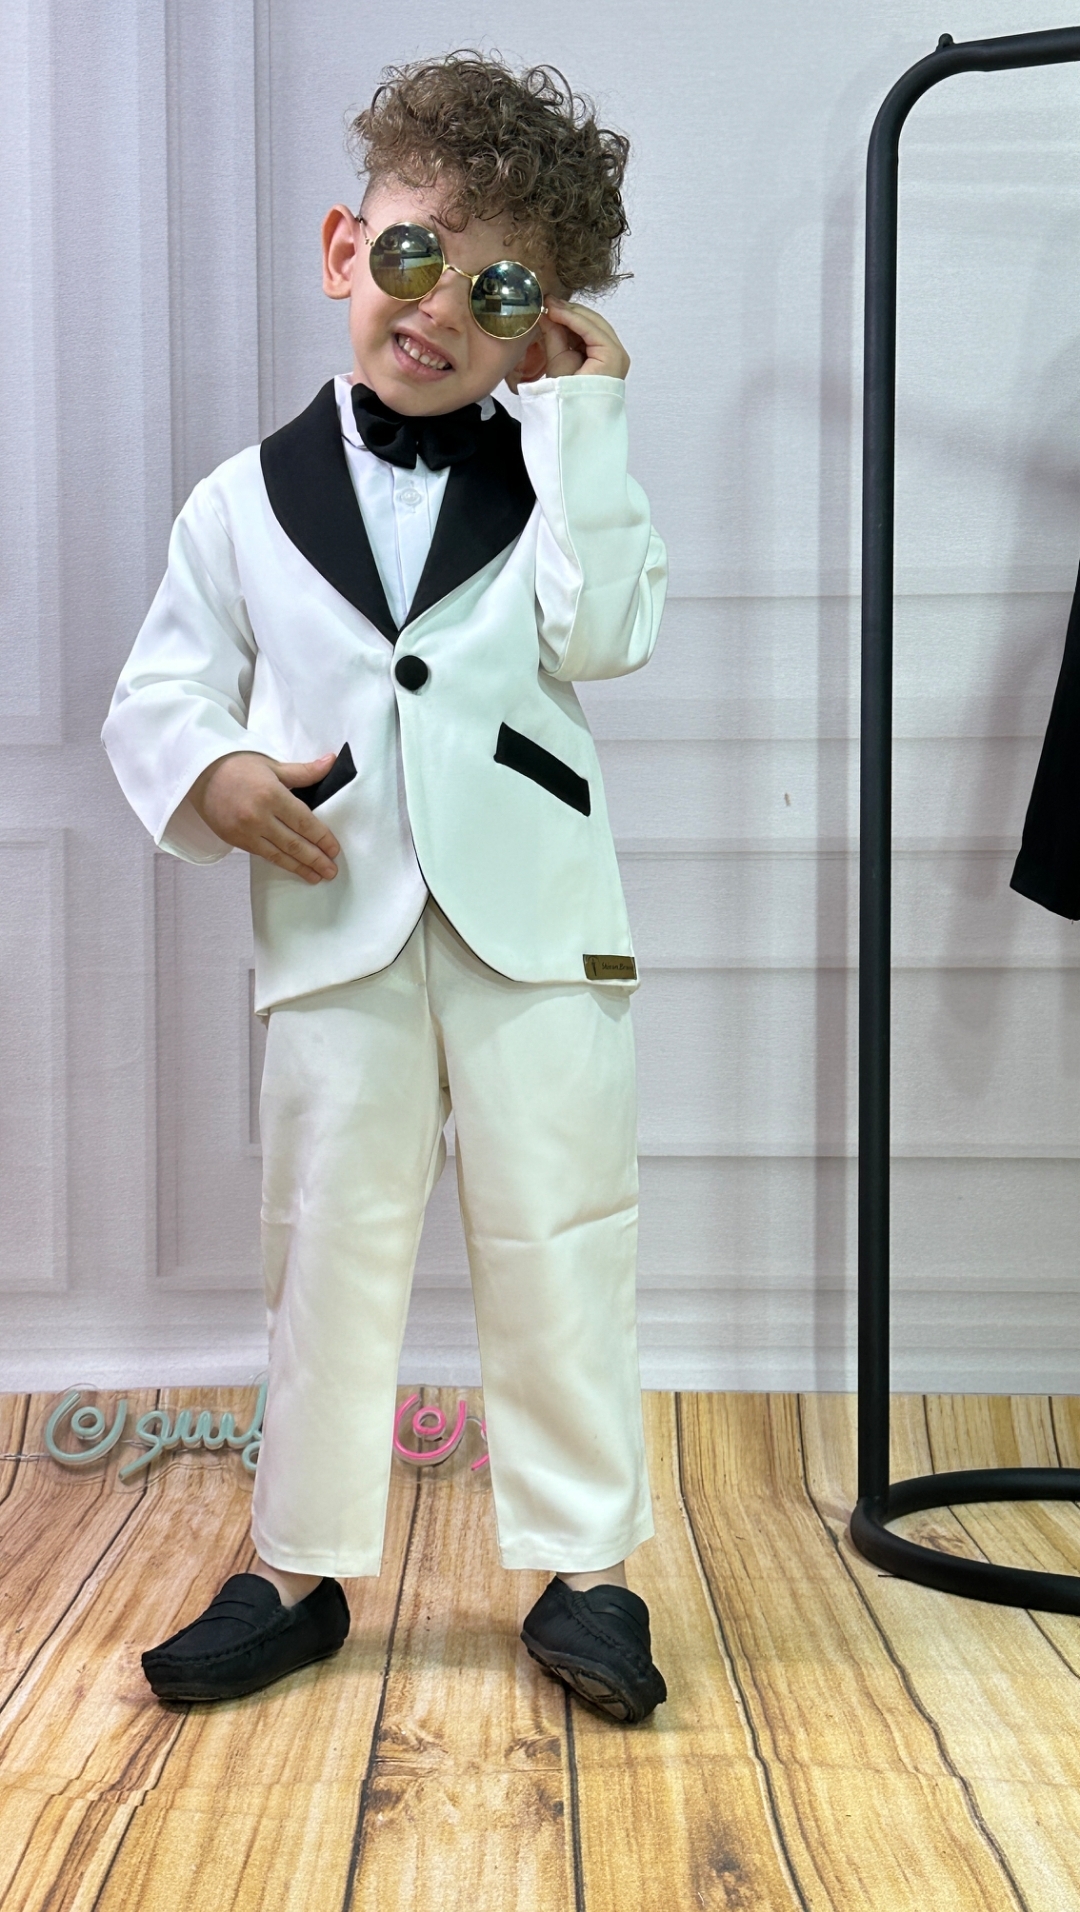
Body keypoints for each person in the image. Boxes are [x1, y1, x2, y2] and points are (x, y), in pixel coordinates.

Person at [103, 52, 668, 1725]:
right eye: (417, 256)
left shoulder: (558, 478)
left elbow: (607, 633)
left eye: (500, 292)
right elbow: (159, 688)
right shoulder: (238, 501)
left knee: (563, 1236)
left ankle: (588, 1567)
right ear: (348, 248)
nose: (441, 312)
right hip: (338, 925)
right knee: (324, 1250)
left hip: (536, 932)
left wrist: (588, 418)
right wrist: (213, 772)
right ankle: (294, 1568)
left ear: (540, 324)